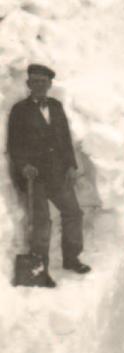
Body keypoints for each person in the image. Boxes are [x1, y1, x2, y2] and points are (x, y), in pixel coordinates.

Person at [7, 64, 89, 285]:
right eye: (34, 82)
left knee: (73, 213)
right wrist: (24, 166)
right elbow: (14, 145)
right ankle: (39, 270)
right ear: (28, 85)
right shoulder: (19, 110)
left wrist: (71, 165)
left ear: (50, 84)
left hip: (58, 174)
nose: (39, 86)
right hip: (35, 177)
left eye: (43, 82)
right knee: (42, 222)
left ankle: (71, 258)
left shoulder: (56, 106)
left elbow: (65, 139)